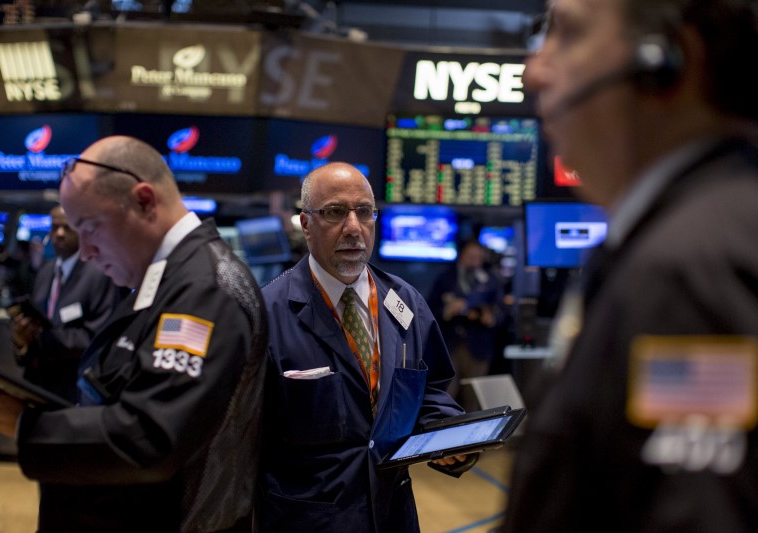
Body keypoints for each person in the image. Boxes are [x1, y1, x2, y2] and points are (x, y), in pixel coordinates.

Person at [504, 0, 758, 531]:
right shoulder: (703, 231)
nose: (533, 71)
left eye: (567, 33)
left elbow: (695, 509)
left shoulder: (689, 273)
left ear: (668, 59)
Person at [0, 135, 268, 533]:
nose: (87, 251)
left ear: (144, 200)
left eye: (90, 228)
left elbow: (150, 436)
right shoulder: (165, 279)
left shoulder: (204, 288)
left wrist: (28, 427)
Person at [256, 162, 475, 533]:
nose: (354, 228)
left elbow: (429, 389)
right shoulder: (266, 313)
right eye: (335, 212)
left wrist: (447, 434)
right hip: (310, 520)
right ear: (306, 224)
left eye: (364, 212)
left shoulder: (405, 302)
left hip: (392, 514)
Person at [11, 204, 126, 403]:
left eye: (67, 227)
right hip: (36, 389)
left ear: (82, 231)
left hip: (75, 393)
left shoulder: (99, 274)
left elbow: (99, 339)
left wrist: (43, 338)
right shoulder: (45, 272)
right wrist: (21, 341)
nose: (60, 234)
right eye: (54, 228)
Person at [428, 239, 507, 411]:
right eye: (471, 256)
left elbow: (502, 312)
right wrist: (447, 310)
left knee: (475, 397)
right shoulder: (445, 278)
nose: (475, 261)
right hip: (450, 344)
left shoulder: (491, 280)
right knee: (446, 394)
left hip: (479, 346)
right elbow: (430, 308)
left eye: (478, 257)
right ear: (462, 256)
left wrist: (491, 316)